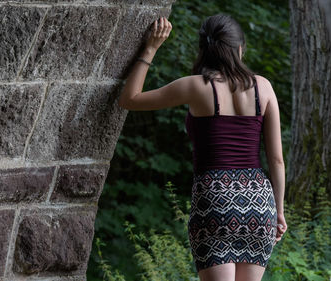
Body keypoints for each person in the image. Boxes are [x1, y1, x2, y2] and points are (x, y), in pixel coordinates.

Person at [117, 14, 287, 281]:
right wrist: (279, 211)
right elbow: (276, 159)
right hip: (259, 202)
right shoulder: (263, 87)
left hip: (215, 200)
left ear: (204, 51)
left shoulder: (195, 86)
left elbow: (130, 99)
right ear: (239, 48)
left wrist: (150, 49)